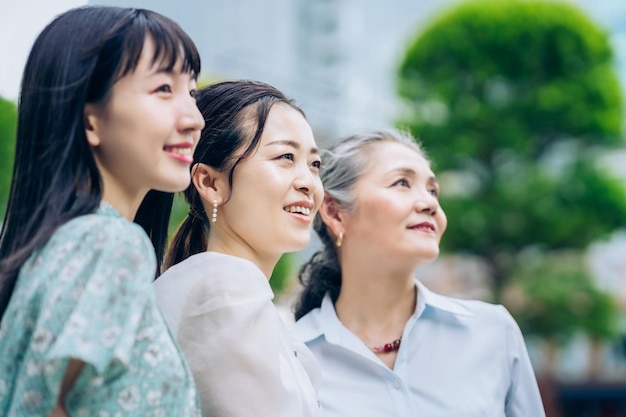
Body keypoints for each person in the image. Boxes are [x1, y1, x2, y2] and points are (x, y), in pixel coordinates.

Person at [0, 6, 205, 416]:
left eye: (192, 92)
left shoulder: (65, 244)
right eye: (163, 88)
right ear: (90, 119)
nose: (194, 119)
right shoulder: (109, 244)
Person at [293, 128, 546, 417]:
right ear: (335, 212)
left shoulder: (494, 332)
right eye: (402, 183)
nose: (430, 204)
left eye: (432, 190)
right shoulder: (291, 358)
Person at [154, 80, 324, 417]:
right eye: (285, 157)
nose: (308, 182)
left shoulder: (217, 285)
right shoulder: (225, 290)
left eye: (314, 164)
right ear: (210, 182)